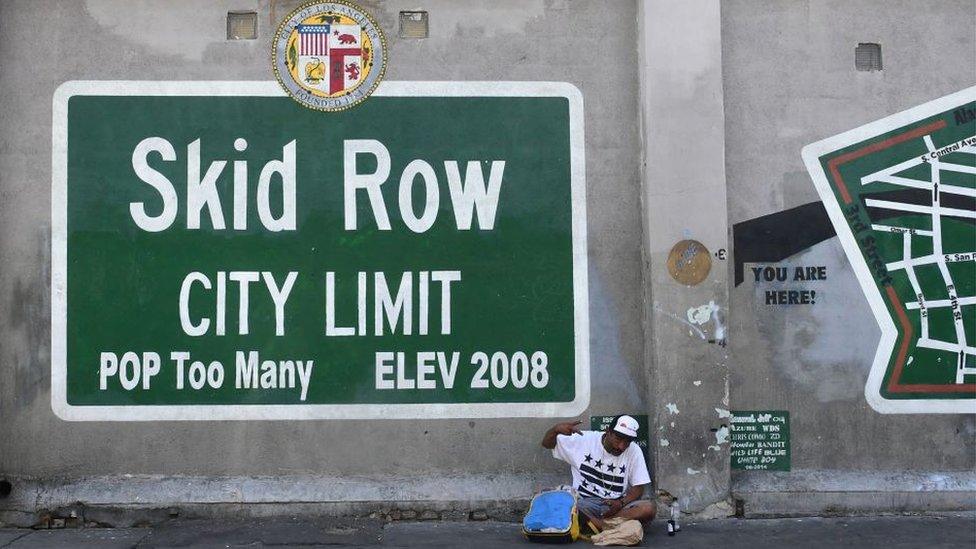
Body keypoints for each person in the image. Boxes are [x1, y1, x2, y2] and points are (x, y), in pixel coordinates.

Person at [541, 415, 656, 531]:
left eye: (627, 442)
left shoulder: (634, 450)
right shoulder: (584, 440)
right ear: (608, 432)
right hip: (585, 503)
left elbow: (639, 487)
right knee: (562, 505)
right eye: (618, 439)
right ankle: (609, 525)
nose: (621, 446)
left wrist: (621, 503)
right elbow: (547, 444)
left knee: (648, 508)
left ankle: (597, 525)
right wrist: (555, 430)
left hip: (615, 505)